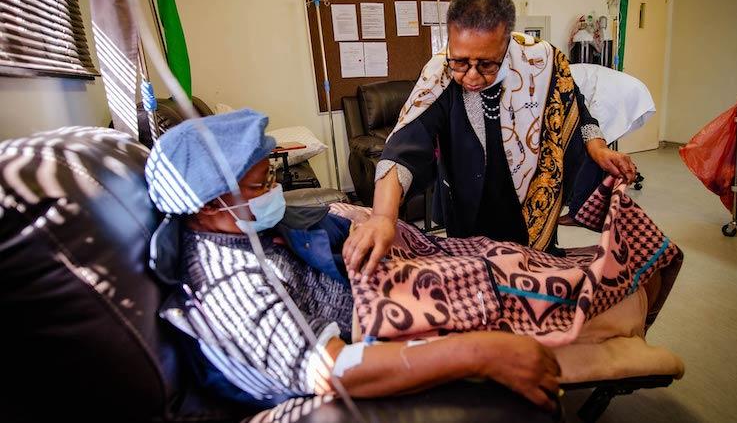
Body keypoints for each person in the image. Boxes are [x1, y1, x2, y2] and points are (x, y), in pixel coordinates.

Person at [145, 109, 561, 412]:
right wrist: (478, 353)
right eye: (261, 184)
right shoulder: (227, 288)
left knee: (500, 255)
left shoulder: (242, 227)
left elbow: (318, 227)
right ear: (205, 206)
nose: (274, 189)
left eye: (272, 176)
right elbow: (336, 370)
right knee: (509, 282)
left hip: (379, 283)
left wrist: (361, 219)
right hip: (378, 322)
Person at [343, 0, 638, 277]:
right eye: (460, 61)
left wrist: (597, 147)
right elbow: (406, 144)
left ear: (506, 44)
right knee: (476, 285)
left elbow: (575, 105)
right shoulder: (440, 74)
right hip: (469, 207)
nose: (470, 76)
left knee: (532, 287)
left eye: (486, 64)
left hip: (531, 206)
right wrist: (383, 216)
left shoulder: (542, 62)